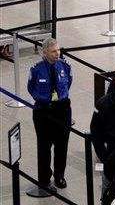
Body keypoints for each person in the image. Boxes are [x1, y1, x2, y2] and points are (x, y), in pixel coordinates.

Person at [27, 38, 72, 189]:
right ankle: (44, 177)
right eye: (53, 51)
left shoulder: (65, 66)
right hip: (43, 110)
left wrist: (60, 98)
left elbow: (68, 82)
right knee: (44, 145)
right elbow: (31, 87)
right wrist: (42, 99)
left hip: (62, 109)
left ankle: (60, 175)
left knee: (62, 145)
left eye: (58, 50)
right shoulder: (36, 69)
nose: (57, 53)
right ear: (45, 52)